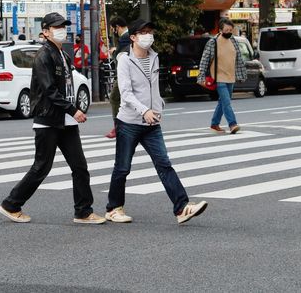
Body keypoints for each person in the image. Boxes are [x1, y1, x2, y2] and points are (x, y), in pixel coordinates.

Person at [0, 12, 104, 225]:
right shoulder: (43, 56)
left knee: (79, 166)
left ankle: (83, 211)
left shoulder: (62, 54)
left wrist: (71, 112)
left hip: (66, 121)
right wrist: (73, 110)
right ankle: (11, 204)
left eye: (63, 26)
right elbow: (49, 90)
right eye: (56, 27)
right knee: (41, 167)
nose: (61, 30)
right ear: (45, 32)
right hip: (49, 120)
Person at [105, 19, 208, 225]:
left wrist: (158, 105)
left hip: (151, 123)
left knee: (164, 164)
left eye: (150, 32)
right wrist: (144, 111)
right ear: (133, 37)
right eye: (143, 32)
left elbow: (152, 88)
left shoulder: (154, 57)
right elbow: (125, 93)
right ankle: (113, 208)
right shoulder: (125, 60)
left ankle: (181, 208)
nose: (148, 36)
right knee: (123, 167)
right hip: (129, 122)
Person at [198, 18, 248, 134]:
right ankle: (232, 124)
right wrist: (201, 77)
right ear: (220, 30)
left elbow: (239, 59)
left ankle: (214, 124)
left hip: (231, 77)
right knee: (226, 102)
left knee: (222, 102)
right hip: (219, 77)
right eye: (226, 30)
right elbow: (204, 60)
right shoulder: (213, 42)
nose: (229, 32)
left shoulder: (234, 41)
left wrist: (242, 75)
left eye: (230, 30)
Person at [105, 16, 131, 139]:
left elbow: (120, 56)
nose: (112, 32)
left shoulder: (125, 38)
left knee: (114, 98)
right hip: (128, 74)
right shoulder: (129, 36)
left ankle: (118, 126)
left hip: (124, 74)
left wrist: (114, 51)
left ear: (117, 27)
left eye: (112, 29)